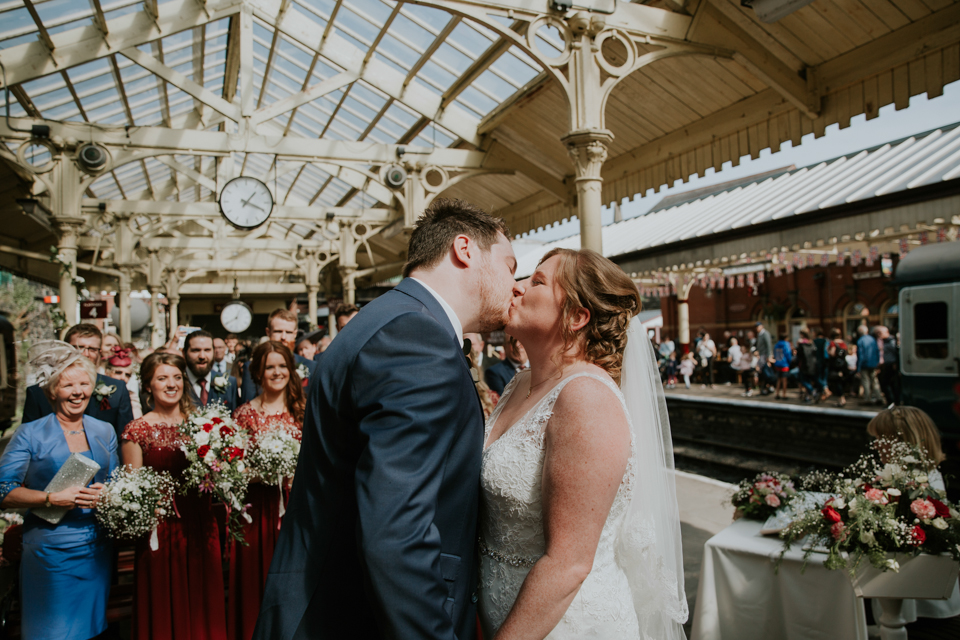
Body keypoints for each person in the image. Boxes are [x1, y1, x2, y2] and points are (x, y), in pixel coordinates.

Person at [253, 199, 519, 639]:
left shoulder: (388, 319)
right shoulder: (416, 337)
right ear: (465, 249)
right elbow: (396, 530)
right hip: (362, 618)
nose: (515, 285)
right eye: (510, 266)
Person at [478, 247, 686, 639]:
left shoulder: (585, 398)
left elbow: (568, 563)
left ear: (577, 316)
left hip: (566, 625)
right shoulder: (519, 383)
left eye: (537, 281)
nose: (518, 288)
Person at [0, 342, 118, 640]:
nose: (78, 391)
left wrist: (109, 493)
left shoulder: (104, 431)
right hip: (49, 549)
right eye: (68, 385)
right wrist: (50, 498)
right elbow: (3, 491)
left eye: (84, 383)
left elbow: (118, 480)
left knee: (93, 628)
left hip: (96, 547)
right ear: (52, 391)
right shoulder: (30, 433)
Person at [122, 351, 228, 640]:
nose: (171, 384)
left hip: (201, 524)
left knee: (204, 600)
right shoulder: (137, 431)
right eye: (161, 378)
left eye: (177, 377)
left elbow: (221, 475)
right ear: (147, 386)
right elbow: (133, 490)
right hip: (162, 530)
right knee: (165, 602)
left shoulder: (206, 424)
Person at [229, 342, 305, 640]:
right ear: (258, 373)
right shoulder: (245, 415)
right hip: (258, 512)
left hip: (298, 511)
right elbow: (234, 471)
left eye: (282, 366)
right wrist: (266, 473)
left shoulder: (304, 411)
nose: (277, 372)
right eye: (270, 367)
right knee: (256, 584)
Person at [866, 406, 960, 622]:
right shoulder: (923, 474)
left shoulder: (913, 483)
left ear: (905, 441)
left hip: (919, 599)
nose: (876, 444)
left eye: (882, 438)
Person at [22, 323, 134, 439]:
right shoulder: (38, 392)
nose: (85, 354)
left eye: (92, 349)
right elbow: (28, 438)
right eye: (79, 347)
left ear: (99, 353)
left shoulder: (117, 389)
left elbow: (125, 439)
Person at [241, 310, 317, 401]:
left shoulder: (311, 366)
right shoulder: (251, 367)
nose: (283, 337)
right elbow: (248, 405)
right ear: (268, 332)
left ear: (295, 334)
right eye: (278, 331)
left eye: (288, 332)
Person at [183, 330, 240, 412]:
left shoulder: (230, 383)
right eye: (196, 350)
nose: (202, 356)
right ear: (184, 353)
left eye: (207, 350)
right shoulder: (176, 384)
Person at [105, 345, 143, 419]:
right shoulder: (96, 391)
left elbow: (136, 420)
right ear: (107, 372)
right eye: (118, 372)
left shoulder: (132, 397)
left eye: (127, 375)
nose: (123, 378)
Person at [856, 324, 882, 405]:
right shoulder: (872, 339)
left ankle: (868, 399)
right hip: (873, 363)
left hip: (864, 364)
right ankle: (879, 397)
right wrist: (877, 363)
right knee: (874, 381)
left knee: (866, 381)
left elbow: (860, 355)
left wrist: (858, 367)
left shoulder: (860, 340)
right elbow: (877, 351)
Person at [875, 325, 900, 405]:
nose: (878, 334)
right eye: (877, 333)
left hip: (891, 365)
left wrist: (895, 363)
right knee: (886, 384)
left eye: (880, 332)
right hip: (885, 365)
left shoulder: (891, 341)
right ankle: (891, 402)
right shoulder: (881, 341)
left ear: (886, 332)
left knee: (889, 384)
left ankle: (893, 402)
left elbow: (896, 353)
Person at [795, 329, 819, 404]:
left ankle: (813, 391)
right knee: (808, 380)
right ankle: (807, 397)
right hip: (812, 364)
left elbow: (798, 356)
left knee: (803, 380)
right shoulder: (812, 343)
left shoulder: (801, 343)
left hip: (804, 365)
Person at [827, 332, 849, 407]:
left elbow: (832, 353)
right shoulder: (843, 343)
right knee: (841, 381)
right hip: (843, 365)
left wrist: (828, 351)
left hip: (835, 366)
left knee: (836, 382)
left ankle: (841, 400)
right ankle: (843, 399)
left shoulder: (833, 343)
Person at [755, 321, 774, 395]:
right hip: (761, 355)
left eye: (758, 327)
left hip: (765, 356)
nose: (757, 328)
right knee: (762, 372)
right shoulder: (759, 334)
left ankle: (768, 387)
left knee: (766, 372)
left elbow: (768, 345)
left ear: (762, 326)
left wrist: (769, 357)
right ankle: (764, 388)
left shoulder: (765, 334)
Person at [773, 333, 792, 400]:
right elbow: (788, 354)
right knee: (784, 380)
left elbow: (774, 354)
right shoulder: (786, 344)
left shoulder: (776, 344)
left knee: (778, 380)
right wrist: (790, 362)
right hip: (784, 364)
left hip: (777, 363)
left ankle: (777, 394)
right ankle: (784, 394)